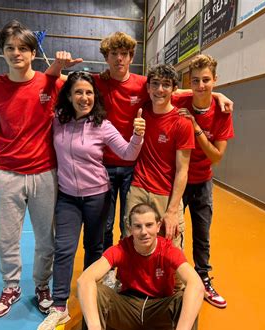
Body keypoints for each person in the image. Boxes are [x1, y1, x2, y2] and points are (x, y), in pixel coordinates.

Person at [94, 32, 234, 253]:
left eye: (124, 54)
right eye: (114, 54)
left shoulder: (155, 96)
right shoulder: (101, 83)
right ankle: (116, 270)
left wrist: (216, 95)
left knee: (171, 233)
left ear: (131, 57)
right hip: (114, 168)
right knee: (114, 228)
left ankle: (192, 277)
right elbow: (70, 82)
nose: (119, 58)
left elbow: (187, 90)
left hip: (153, 174)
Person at [0, 20, 80, 318]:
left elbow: (93, 93)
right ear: (3, 52)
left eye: (23, 48)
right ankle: (11, 286)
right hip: (7, 174)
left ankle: (42, 286)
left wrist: (204, 96)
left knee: (46, 239)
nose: (16, 53)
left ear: (33, 52)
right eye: (10, 48)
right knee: (5, 238)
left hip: (46, 174)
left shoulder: (53, 84)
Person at [36, 71, 146, 330]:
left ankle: (91, 296)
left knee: (94, 247)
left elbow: (128, 153)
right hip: (67, 198)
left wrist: (137, 134)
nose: (84, 97)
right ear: (70, 96)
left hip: (97, 195)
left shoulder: (102, 125)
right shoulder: (57, 122)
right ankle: (59, 306)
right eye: (78, 92)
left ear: (94, 96)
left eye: (89, 92)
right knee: (64, 249)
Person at [77, 203, 204, 330]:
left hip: (159, 313)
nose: (144, 232)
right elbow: (84, 280)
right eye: (138, 226)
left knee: (187, 298)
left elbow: (196, 284)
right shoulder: (121, 249)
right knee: (96, 291)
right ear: (130, 229)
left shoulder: (169, 250)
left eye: (149, 225)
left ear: (158, 226)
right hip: (127, 310)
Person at [173, 54, 234, 308]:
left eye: (206, 80)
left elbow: (216, 156)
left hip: (203, 181)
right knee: (172, 231)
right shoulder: (180, 100)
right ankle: (172, 278)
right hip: (177, 178)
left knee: (202, 235)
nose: (201, 86)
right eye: (196, 80)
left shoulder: (222, 112)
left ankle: (203, 279)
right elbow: (153, 86)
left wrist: (195, 127)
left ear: (215, 80)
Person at [125, 64, 194, 249]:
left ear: (174, 89)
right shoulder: (143, 112)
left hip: (166, 193)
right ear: (148, 88)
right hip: (138, 187)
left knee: (170, 250)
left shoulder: (182, 122)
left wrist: (172, 210)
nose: (159, 90)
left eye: (166, 85)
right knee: (132, 245)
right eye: (155, 84)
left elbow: (182, 170)